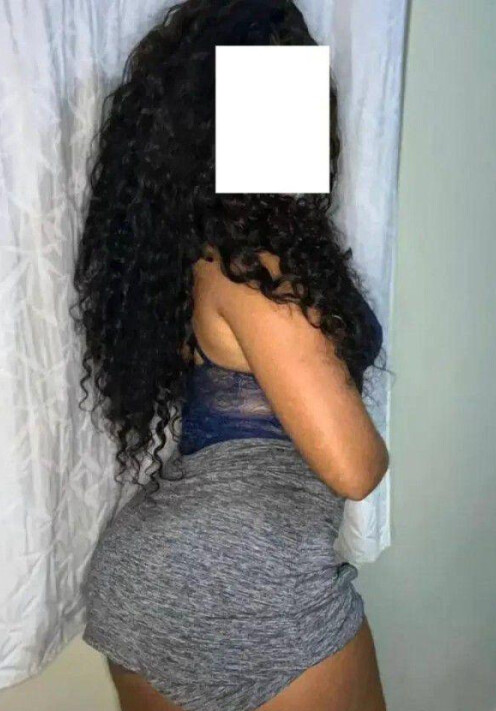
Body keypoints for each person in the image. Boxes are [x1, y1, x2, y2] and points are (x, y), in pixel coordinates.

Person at [71, 1, 390, 709]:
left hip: (149, 586)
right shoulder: (256, 268)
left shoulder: (190, 258)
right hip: (251, 587)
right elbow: (355, 467)